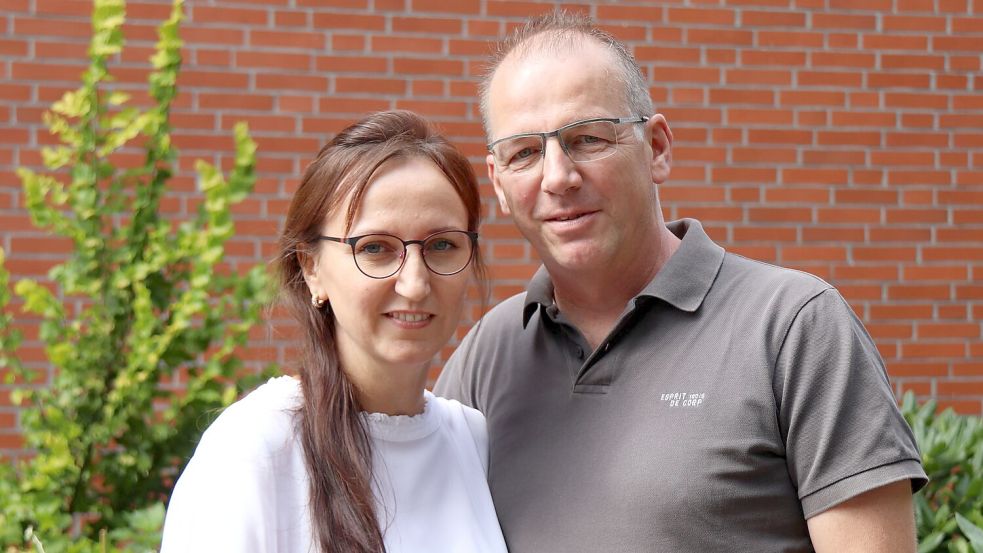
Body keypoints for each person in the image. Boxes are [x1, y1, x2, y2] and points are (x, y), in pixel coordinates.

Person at [435, 11, 927, 553]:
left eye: (588, 138)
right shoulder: (487, 355)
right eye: (525, 153)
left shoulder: (795, 328)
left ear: (658, 149)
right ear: (500, 186)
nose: (557, 177)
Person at [161, 110, 507, 553]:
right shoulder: (256, 448)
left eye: (442, 245)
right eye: (376, 248)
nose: (416, 283)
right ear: (311, 268)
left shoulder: (471, 441)